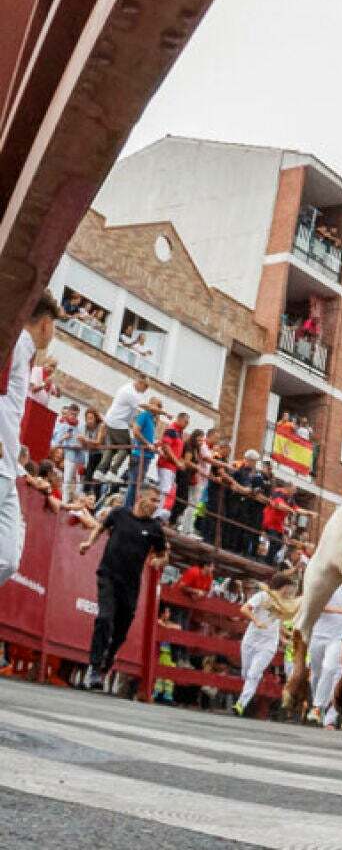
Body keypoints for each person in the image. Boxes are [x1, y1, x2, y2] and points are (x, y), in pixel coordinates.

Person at [74, 481, 170, 689]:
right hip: (108, 575)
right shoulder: (119, 514)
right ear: (140, 498)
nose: (156, 505)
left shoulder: (155, 528)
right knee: (104, 618)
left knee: (121, 630)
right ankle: (94, 667)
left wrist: (158, 562)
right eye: (153, 500)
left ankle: (106, 663)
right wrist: (89, 543)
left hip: (131, 584)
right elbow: (101, 527)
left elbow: (164, 555)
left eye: (158, 501)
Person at [1, 292, 62, 590]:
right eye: (55, 327)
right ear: (46, 324)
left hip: (9, 468)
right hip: (0, 461)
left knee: (8, 559)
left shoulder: (25, 357)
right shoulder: (12, 346)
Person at [236, 574, 298, 715]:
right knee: (246, 672)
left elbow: (279, 622)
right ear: (283, 587)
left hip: (269, 644)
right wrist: (256, 620)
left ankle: (240, 704)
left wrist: (284, 637)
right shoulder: (263, 596)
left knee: (254, 673)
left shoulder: (286, 603)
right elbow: (244, 608)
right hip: (251, 639)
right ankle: (248, 693)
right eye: (288, 588)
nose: (290, 591)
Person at [308, 582, 342, 727]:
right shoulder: (330, 586)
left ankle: (317, 707)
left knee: (330, 669)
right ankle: (317, 703)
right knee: (316, 673)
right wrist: (340, 611)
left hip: (337, 638)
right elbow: (317, 605)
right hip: (318, 634)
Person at [99, 370, 150, 484]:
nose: (146, 389)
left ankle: (100, 471)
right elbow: (145, 407)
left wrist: (132, 424)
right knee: (128, 447)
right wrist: (162, 412)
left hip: (113, 420)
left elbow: (131, 413)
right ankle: (112, 472)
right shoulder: (130, 392)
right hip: (117, 422)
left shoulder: (129, 388)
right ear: (139, 382)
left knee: (113, 448)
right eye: (145, 386)